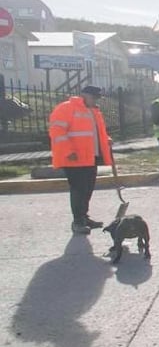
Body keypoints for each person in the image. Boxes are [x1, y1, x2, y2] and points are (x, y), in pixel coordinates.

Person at [49, 85, 112, 235]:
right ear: (84, 95)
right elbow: (57, 131)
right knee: (79, 190)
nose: (96, 100)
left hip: (91, 157)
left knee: (88, 189)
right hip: (74, 158)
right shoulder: (66, 108)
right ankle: (77, 221)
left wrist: (106, 140)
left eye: (97, 98)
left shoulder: (94, 111)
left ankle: (84, 217)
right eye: (94, 97)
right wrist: (67, 151)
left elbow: (96, 132)